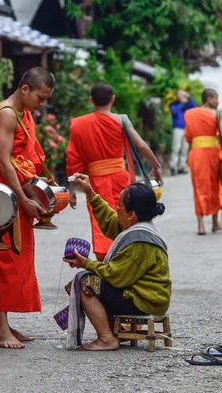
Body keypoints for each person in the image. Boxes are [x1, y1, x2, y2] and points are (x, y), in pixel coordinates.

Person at [0, 67, 53, 349]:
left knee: (17, 256)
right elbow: (3, 162)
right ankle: (0, 330)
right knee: (3, 258)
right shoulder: (8, 113)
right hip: (4, 196)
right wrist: (23, 198)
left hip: (18, 190)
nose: (42, 103)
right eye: (41, 97)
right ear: (25, 89)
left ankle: (5, 324)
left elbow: (22, 157)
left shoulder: (23, 113)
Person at [64, 174, 170, 351]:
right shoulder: (139, 226)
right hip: (143, 295)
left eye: (119, 206)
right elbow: (109, 221)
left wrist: (86, 264)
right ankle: (115, 331)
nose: (116, 209)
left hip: (145, 299)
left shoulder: (140, 241)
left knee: (85, 283)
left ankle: (107, 338)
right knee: (89, 280)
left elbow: (114, 276)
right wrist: (90, 193)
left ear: (131, 215)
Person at [67, 82, 162, 261]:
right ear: (113, 99)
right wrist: (156, 166)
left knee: (100, 220)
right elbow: (140, 145)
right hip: (120, 178)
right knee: (126, 215)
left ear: (91, 101)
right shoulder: (121, 120)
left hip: (94, 181)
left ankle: (105, 261)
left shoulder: (79, 125)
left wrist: (72, 188)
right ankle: (125, 257)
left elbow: (74, 159)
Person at [184, 89, 222, 235]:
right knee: (213, 186)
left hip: (196, 153)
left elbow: (188, 136)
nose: (218, 102)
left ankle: (200, 226)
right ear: (209, 99)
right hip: (212, 153)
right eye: (216, 98)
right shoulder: (217, 114)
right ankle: (214, 223)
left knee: (198, 186)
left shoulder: (190, 114)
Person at [168, 89, 197, 175]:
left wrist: (188, 97)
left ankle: (182, 166)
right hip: (178, 128)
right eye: (180, 94)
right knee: (176, 148)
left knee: (185, 148)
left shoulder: (187, 105)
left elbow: (194, 107)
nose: (182, 96)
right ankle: (173, 166)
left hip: (186, 128)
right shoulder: (173, 105)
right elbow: (175, 113)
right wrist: (181, 102)